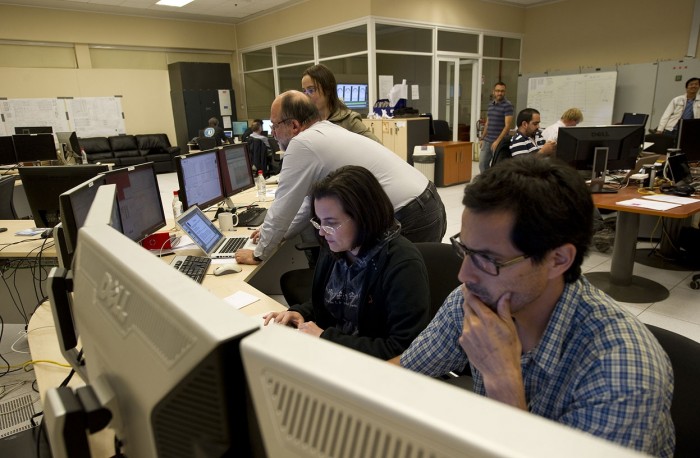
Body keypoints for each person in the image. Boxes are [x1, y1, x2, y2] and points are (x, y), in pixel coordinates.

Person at [390, 155, 675, 456]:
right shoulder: (476, 299)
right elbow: (403, 371)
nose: (464, 275)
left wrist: (502, 381)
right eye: (465, 249)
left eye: (487, 259)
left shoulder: (622, 375)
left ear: (558, 260)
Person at [235, 90, 447, 265]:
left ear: (294, 125)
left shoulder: (302, 144)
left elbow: (284, 206)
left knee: (393, 293)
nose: (272, 133)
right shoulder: (325, 131)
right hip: (428, 202)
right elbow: (305, 205)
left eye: (275, 125)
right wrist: (276, 234)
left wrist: (259, 254)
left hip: (408, 215)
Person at [263, 165, 430, 359]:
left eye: (331, 223)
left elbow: (402, 348)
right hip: (335, 354)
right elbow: (332, 301)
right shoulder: (336, 248)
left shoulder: (402, 264)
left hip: (374, 370)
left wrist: (326, 338)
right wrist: (301, 313)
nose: (322, 232)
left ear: (364, 217)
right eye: (319, 221)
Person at [301, 63, 381, 143]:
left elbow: (378, 146)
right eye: (304, 91)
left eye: (311, 90)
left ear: (328, 90)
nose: (306, 96)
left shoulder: (348, 121)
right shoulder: (306, 122)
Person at [478, 81, 514, 172]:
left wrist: (497, 141)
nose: (499, 93)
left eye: (502, 91)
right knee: (482, 164)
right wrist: (482, 138)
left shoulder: (508, 105)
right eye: (497, 91)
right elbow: (487, 123)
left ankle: (495, 183)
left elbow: (507, 126)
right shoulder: (490, 104)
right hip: (487, 140)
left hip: (499, 141)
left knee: (498, 166)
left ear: (504, 92)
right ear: (493, 91)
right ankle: (486, 181)